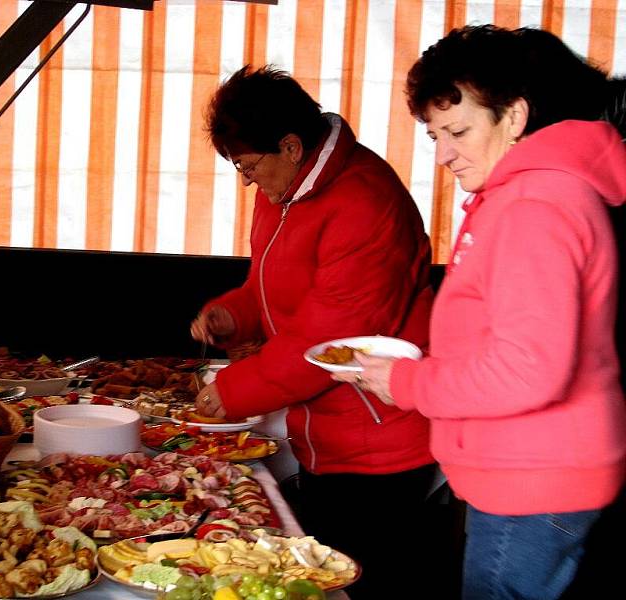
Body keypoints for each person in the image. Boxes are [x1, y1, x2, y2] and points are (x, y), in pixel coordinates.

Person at [333, 25, 626, 600]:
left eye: (457, 130)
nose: (443, 154)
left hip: (531, 483)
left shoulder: (535, 204)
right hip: (535, 475)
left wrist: (409, 380)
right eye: (435, 135)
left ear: (514, 118)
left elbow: (527, 369)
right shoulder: (535, 193)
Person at [190, 65, 438, 598]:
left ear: (292, 146)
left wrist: (233, 391)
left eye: (248, 165)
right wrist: (232, 315)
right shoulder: (285, 191)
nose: (246, 181)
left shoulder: (365, 203)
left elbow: (328, 340)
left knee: (361, 583)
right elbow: (268, 288)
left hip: (380, 441)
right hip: (322, 430)